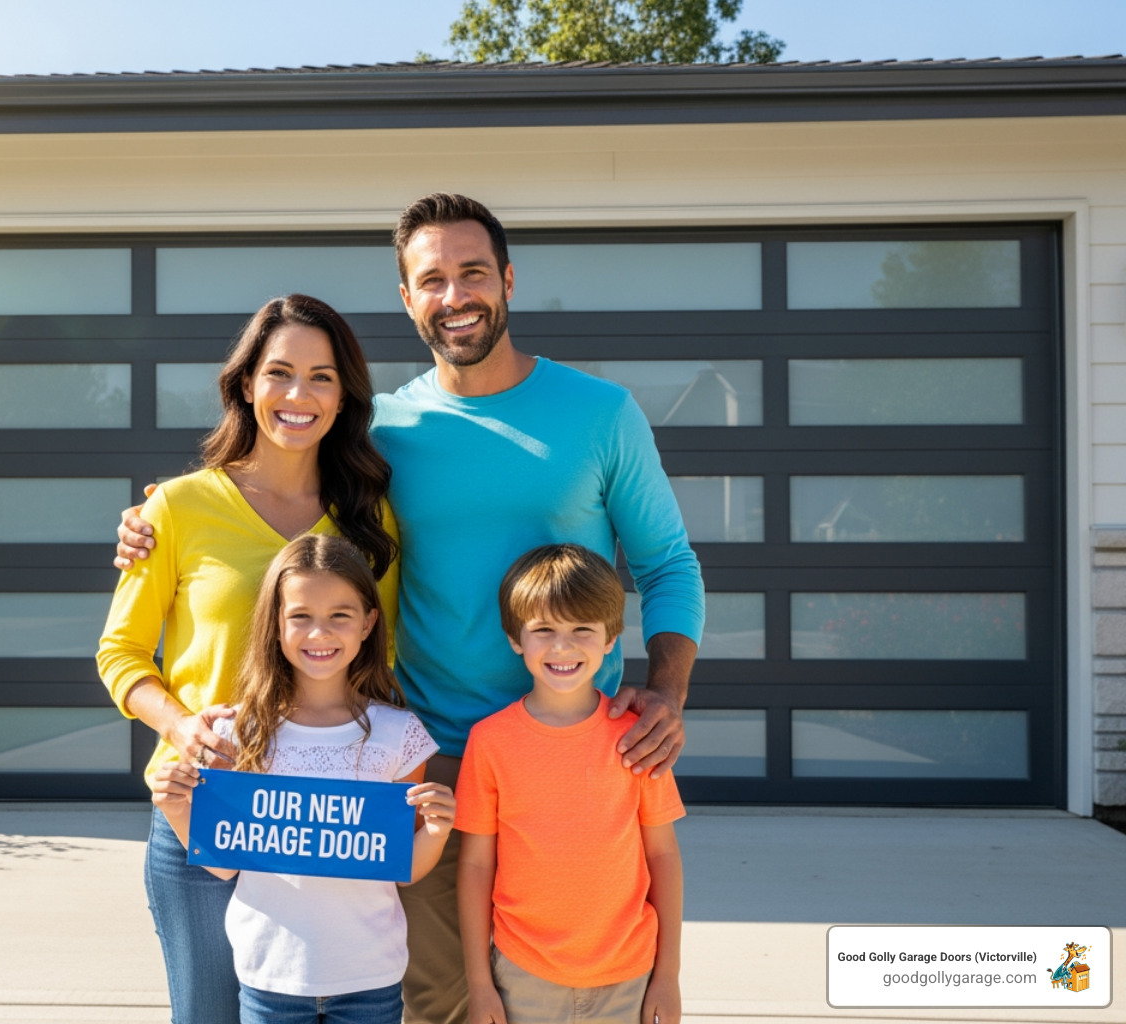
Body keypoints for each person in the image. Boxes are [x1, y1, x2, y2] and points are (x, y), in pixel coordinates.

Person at [116, 194, 703, 1024]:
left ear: (507, 279)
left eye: (472, 272)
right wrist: (154, 518)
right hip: (423, 760)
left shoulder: (600, 414)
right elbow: (275, 474)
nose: (455, 294)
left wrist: (668, 690)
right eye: (432, 278)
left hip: (569, 759)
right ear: (407, 298)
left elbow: (668, 562)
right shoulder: (380, 434)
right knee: (436, 1001)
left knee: (575, 988)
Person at [96, 294, 400, 1024]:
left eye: (322, 377)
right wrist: (180, 727)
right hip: (205, 809)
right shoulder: (175, 508)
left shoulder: (370, 518)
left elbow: (378, 665)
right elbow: (122, 653)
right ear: (246, 385)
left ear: (345, 394)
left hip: (325, 821)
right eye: (280, 373)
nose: (299, 395)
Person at [149, 534, 457, 1024]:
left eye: (340, 615)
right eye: (300, 617)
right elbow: (225, 863)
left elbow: (399, 866)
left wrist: (436, 833)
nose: (320, 633)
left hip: (370, 978)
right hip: (270, 974)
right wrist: (176, 808)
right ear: (275, 624)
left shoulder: (399, 735)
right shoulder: (236, 731)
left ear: (368, 623)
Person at [455, 544, 684, 1024]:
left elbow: (662, 855)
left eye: (582, 629)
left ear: (611, 638)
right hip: (523, 976)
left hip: (629, 975)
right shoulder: (490, 742)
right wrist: (479, 985)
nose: (563, 647)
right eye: (543, 630)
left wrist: (668, 975)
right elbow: (476, 866)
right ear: (515, 638)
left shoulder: (637, 737)